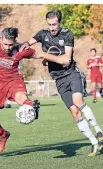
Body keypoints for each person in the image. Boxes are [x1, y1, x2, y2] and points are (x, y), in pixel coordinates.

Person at [20, 10, 103, 156]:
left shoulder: (67, 34)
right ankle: (94, 143)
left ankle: (99, 132)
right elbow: (28, 43)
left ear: (59, 22)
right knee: (74, 112)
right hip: (59, 79)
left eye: (54, 24)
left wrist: (43, 56)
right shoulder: (42, 34)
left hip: (72, 74)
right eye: (49, 24)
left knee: (78, 101)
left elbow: (66, 60)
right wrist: (21, 47)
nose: (52, 28)